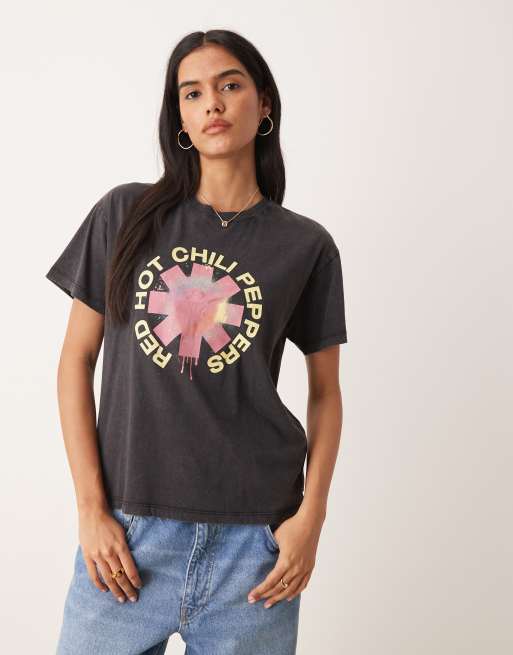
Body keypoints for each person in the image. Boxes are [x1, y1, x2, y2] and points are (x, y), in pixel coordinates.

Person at [46, 29, 348, 655]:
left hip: (254, 550)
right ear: (179, 117)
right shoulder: (125, 214)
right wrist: (92, 511)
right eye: (192, 93)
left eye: (229, 85)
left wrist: (310, 521)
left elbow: (325, 393)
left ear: (264, 105)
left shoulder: (305, 245)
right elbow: (75, 362)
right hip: (127, 542)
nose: (212, 102)